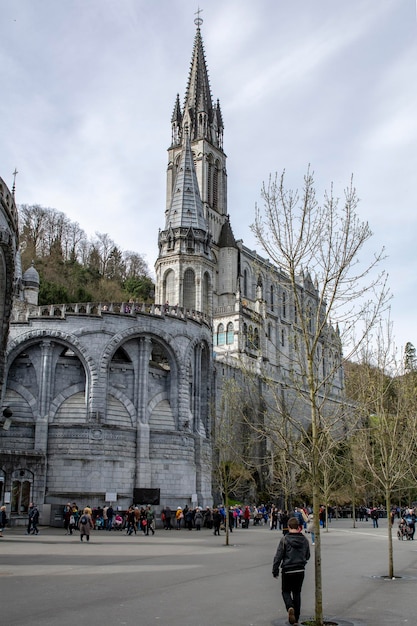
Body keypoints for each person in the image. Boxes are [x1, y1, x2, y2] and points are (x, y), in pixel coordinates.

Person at [272, 516, 310, 626]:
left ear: (288, 527)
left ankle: (290, 607)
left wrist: (275, 570)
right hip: (300, 569)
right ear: (298, 527)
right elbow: (307, 555)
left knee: (285, 591)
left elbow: (278, 556)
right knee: (297, 593)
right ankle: (296, 618)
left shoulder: (285, 540)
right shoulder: (304, 540)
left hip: (288, 569)